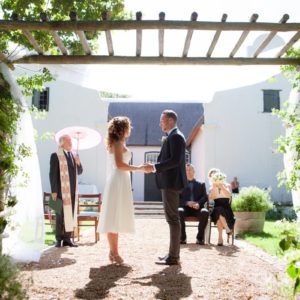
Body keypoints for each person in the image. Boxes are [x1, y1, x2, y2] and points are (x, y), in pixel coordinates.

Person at [97, 116, 146, 265]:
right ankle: (114, 252)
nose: (129, 129)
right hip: (118, 179)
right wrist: (139, 168)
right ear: (123, 128)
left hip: (121, 179)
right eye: (128, 126)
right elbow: (119, 165)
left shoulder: (119, 142)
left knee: (116, 215)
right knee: (113, 215)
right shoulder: (117, 143)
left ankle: (113, 252)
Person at [145, 110, 187, 265]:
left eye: (162, 120)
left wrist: (155, 167)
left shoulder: (176, 136)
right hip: (170, 183)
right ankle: (172, 253)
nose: (160, 123)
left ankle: (174, 256)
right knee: (172, 219)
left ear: (170, 120)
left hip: (172, 183)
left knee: (173, 219)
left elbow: (175, 161)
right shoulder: (173, 136)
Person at [49, 134, 83, 248]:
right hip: (59, 191)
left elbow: (79, 172)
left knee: (70, 215)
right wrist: (53, 191)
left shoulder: (74, 155)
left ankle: (68, 238)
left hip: (72, 191)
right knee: (59, 215)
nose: (71, 142)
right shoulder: (55, 155)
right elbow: (52, 175)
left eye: (71, 140)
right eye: (68, 140)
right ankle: (59, 239)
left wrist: (78, 162)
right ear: (62, 143)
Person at [179, 164, 209, 245]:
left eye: (190, 170)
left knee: (205, 212)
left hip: (198, 208)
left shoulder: (201, 184)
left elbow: (205, 197)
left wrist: (198, 203)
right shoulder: (180, 184)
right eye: (186, 170)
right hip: (185, 208)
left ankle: (200, 238)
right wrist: (187, 202)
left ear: (194, 171)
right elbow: (177, 198)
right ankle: (182, 238)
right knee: (179, 211)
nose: (188, 172)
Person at [208, 169, 235, 246]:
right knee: (218, 210)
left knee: (219, 213)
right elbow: (210, 199)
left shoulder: (227, 185)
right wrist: (214, 188)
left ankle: (220, 238)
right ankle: (227, 229)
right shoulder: (211, 188)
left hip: (227, 208)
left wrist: (222, 187)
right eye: (212, 176)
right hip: (216, 207)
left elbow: (229, 196)